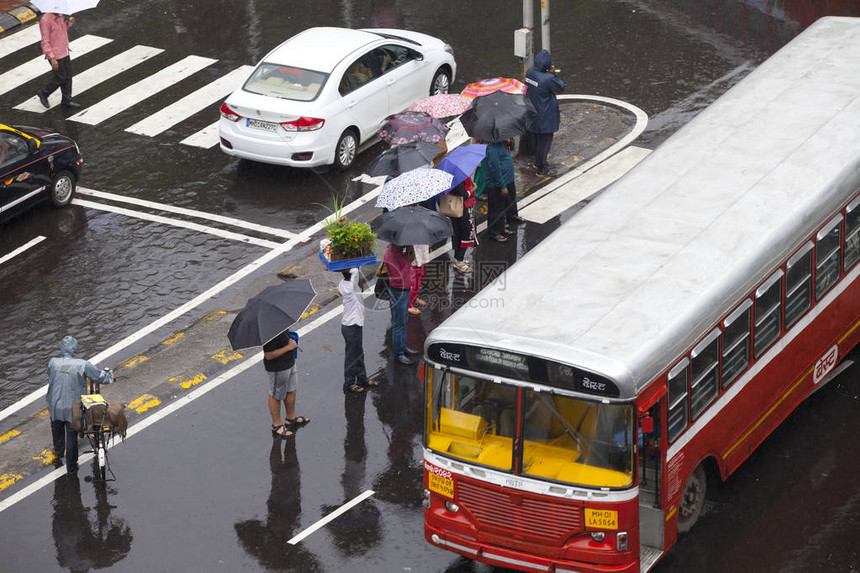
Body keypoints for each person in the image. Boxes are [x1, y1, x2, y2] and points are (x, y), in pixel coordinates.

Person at [47, 336, 114, 474]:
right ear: (75, 349)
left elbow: (51, 375)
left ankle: (59, 453)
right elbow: (99, 376)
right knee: (71, 437)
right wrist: (111, 377)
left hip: (54, 406)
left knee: (57, 429)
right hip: (73, 408)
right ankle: (71, 467)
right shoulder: (82, 364)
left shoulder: (53, 362)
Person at [525, 49, 565, 177]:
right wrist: (554, 74)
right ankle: (542, 167)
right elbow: (560, 87)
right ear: (548, 67)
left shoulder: (530, 72)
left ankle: (537, 162)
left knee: (536, 139)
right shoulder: (549, 79)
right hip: (545, 116)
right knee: (544, 142)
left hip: (532, 113)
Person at [263, 329, 308, 438]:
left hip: (289, 362)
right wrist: (288, 347)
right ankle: (277, 426)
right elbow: (268, 355)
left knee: (291, 389)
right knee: (276, 395)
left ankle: (291, 418)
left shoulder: (279, 324)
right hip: (278, 367)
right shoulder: (269, 331)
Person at [340, 268, 379, 393]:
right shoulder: (351, 287)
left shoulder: (344, 284)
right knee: (352, 356)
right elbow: (355, 271)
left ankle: (362, 378)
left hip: (354, 324)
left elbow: (360, 285)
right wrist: (356, 262)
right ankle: (349, 383)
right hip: (351, 326)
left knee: (359, 353)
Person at [383, 243, 419, 365]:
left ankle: (402, 346)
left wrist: (407, 254)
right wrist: (408, 261)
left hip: (405, 290)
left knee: (404, 320)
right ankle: (398, 353)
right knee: (399, 323)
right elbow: (398, 277)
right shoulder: (391, 255)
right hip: (399, 291)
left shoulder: (398, 251)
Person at [37, 12, 81, 110]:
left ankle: (66, 101)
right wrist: (52, 58)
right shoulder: (46, 20)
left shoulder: (60, 16)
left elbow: (60, 32)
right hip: (55, 55)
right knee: (61, 77)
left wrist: (68, 23)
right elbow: (45, 41)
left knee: (68, 76)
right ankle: (44, 93)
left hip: (64, 51)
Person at [482, 140, 522, 243]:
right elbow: (495, 169)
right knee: (496, 209)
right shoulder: (492, 150)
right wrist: (502, 186)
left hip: (506, 180)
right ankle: (494, 233)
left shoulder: (500, 145)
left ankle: (501, 229)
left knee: (502, 207)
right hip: (497, 185)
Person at [448, 177, 478, 273]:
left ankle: (458, 258)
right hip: (463, 208)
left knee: (459, 232)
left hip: (456, 206)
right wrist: (473, 189)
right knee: (466, 233)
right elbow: (463, 194)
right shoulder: (458, 176)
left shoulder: (456, 173)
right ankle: (459, 260)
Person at [408, 244, 429, 315]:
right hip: (413, 255)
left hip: (423, 252)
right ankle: (408, 304)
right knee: (414, 281)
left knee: (421, 277)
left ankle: (414, 297)